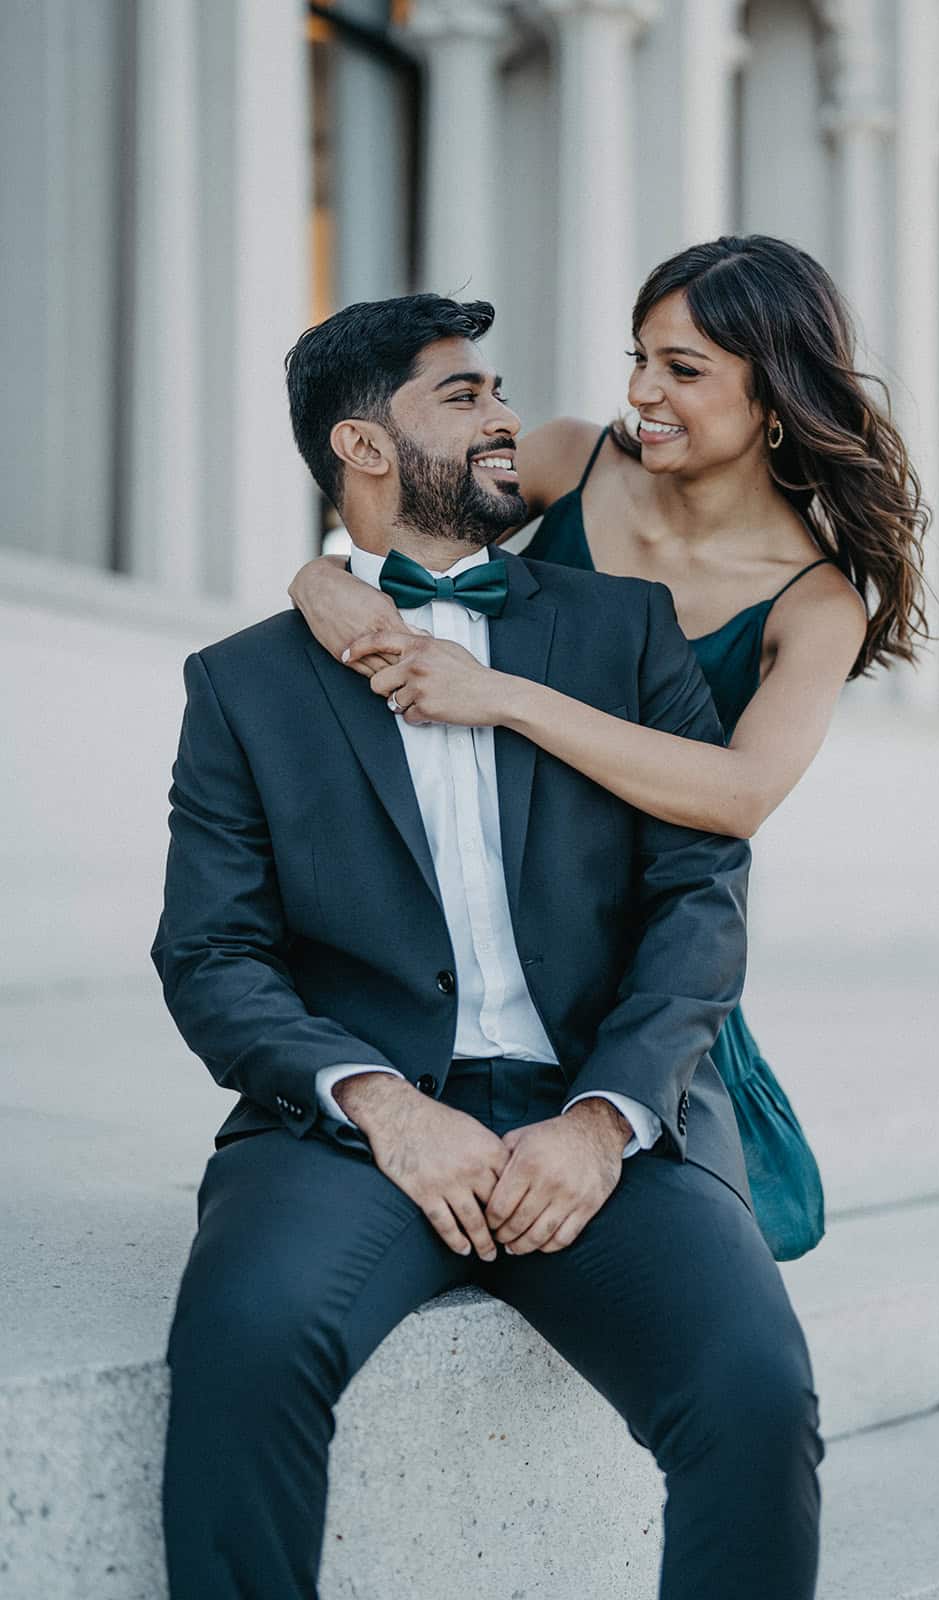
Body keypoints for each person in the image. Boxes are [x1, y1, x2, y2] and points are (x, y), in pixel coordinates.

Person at [152, 292, 823, 1599]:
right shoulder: (243, 684)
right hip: (353, 1131)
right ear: (361, 447)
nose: (505, 416)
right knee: (241, 1340)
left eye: (500, 389)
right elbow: (212, 954)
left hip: (605, 1118)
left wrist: (601, 1119)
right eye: (462, 397)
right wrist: (382, 1106)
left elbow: (698, 897)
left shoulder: (623, 633)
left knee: (750, 1388)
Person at [288, 237, 931, 1263]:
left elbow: (740, 793)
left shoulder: (812, 603)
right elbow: (400, 537)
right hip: (484, 878)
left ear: (775, 394)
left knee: (717, 1218)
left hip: (636, 911)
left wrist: (501, 697)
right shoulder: (569, 458)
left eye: (682, 370)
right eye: (638, 358)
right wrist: (321, 577)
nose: (641, 393)